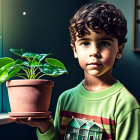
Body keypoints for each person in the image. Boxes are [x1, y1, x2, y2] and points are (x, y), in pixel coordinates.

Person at [14, 1, 140, 140]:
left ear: (119, 50)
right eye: (85, 43)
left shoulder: (125, 105)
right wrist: (45, 127)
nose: (94, 52)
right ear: (75, 50)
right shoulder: (65, 99)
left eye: (104, 43)